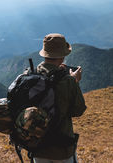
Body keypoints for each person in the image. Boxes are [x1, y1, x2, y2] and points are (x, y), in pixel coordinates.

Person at [32, 33, 87, 163]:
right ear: (62, 57)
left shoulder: (31, 76)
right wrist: (75, 82)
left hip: (37, 146)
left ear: (45, 54)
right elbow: (78, 111)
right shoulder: (68, 81)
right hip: (62, 147)